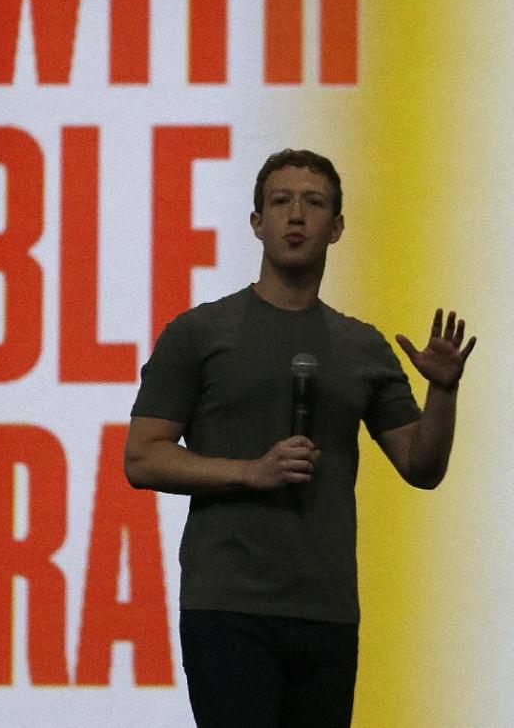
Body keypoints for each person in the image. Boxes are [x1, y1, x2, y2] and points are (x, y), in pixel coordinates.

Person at [124, 148, 475, 728]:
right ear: (256, 222)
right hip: (228, 603)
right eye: (280, 202)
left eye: (314, 204)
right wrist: (251, 471)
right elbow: (142, 458)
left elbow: (422, 465)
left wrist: (443, 393)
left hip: (327, 608)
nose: (296, 216)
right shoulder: (199, 332)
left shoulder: (362, 346)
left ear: (336, 227)